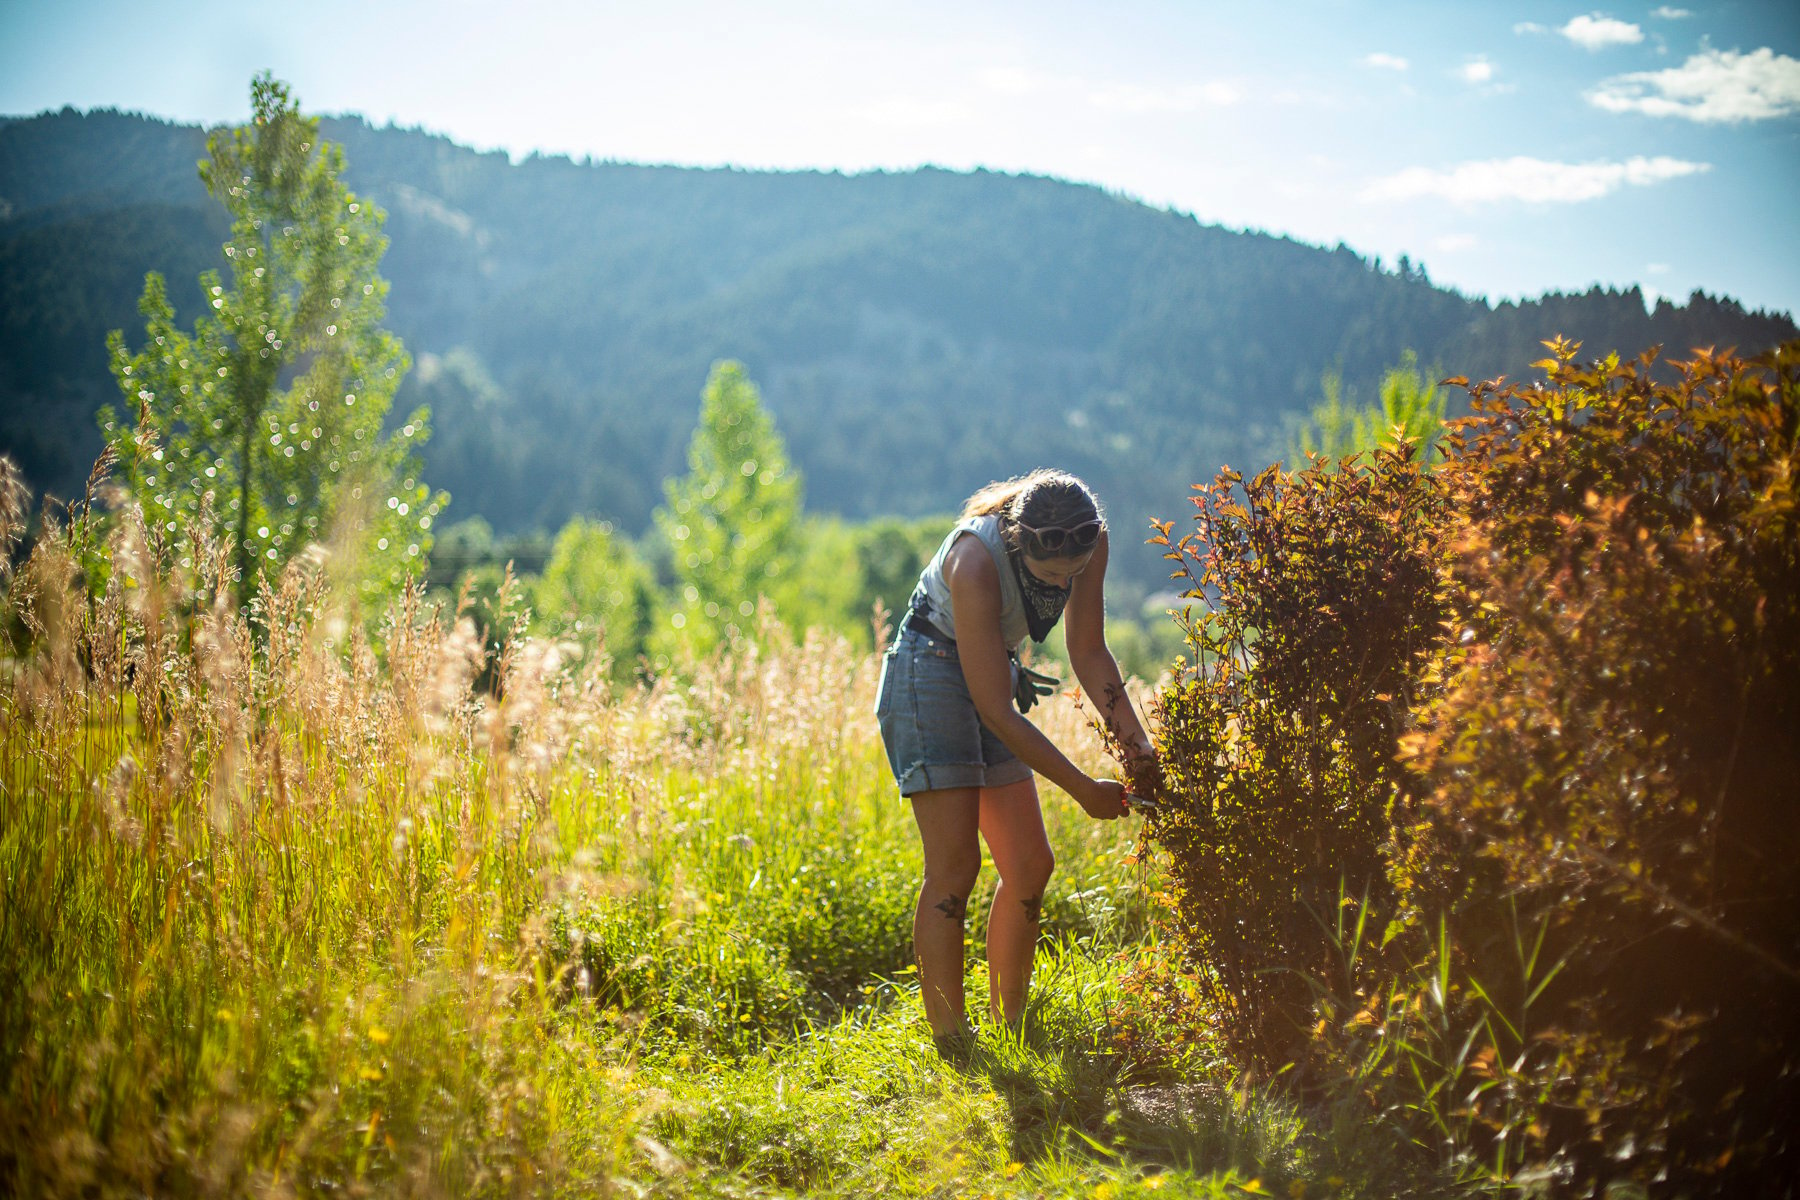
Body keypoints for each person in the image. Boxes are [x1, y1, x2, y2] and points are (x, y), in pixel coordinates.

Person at [874, 468, 1156, 1057]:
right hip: (927, 671)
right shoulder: (976, 561)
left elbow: (1088, 649)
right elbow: (998, 713)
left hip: (987, 668)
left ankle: (1013, 1026)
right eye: (1051, 576)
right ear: (1018, 540)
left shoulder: (1089, 539)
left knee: (1030, 864)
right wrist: (1082, 790)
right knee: (956, 867)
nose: (1063, 583)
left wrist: (1140, 752)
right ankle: (953, 1042)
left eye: (1073, 574)